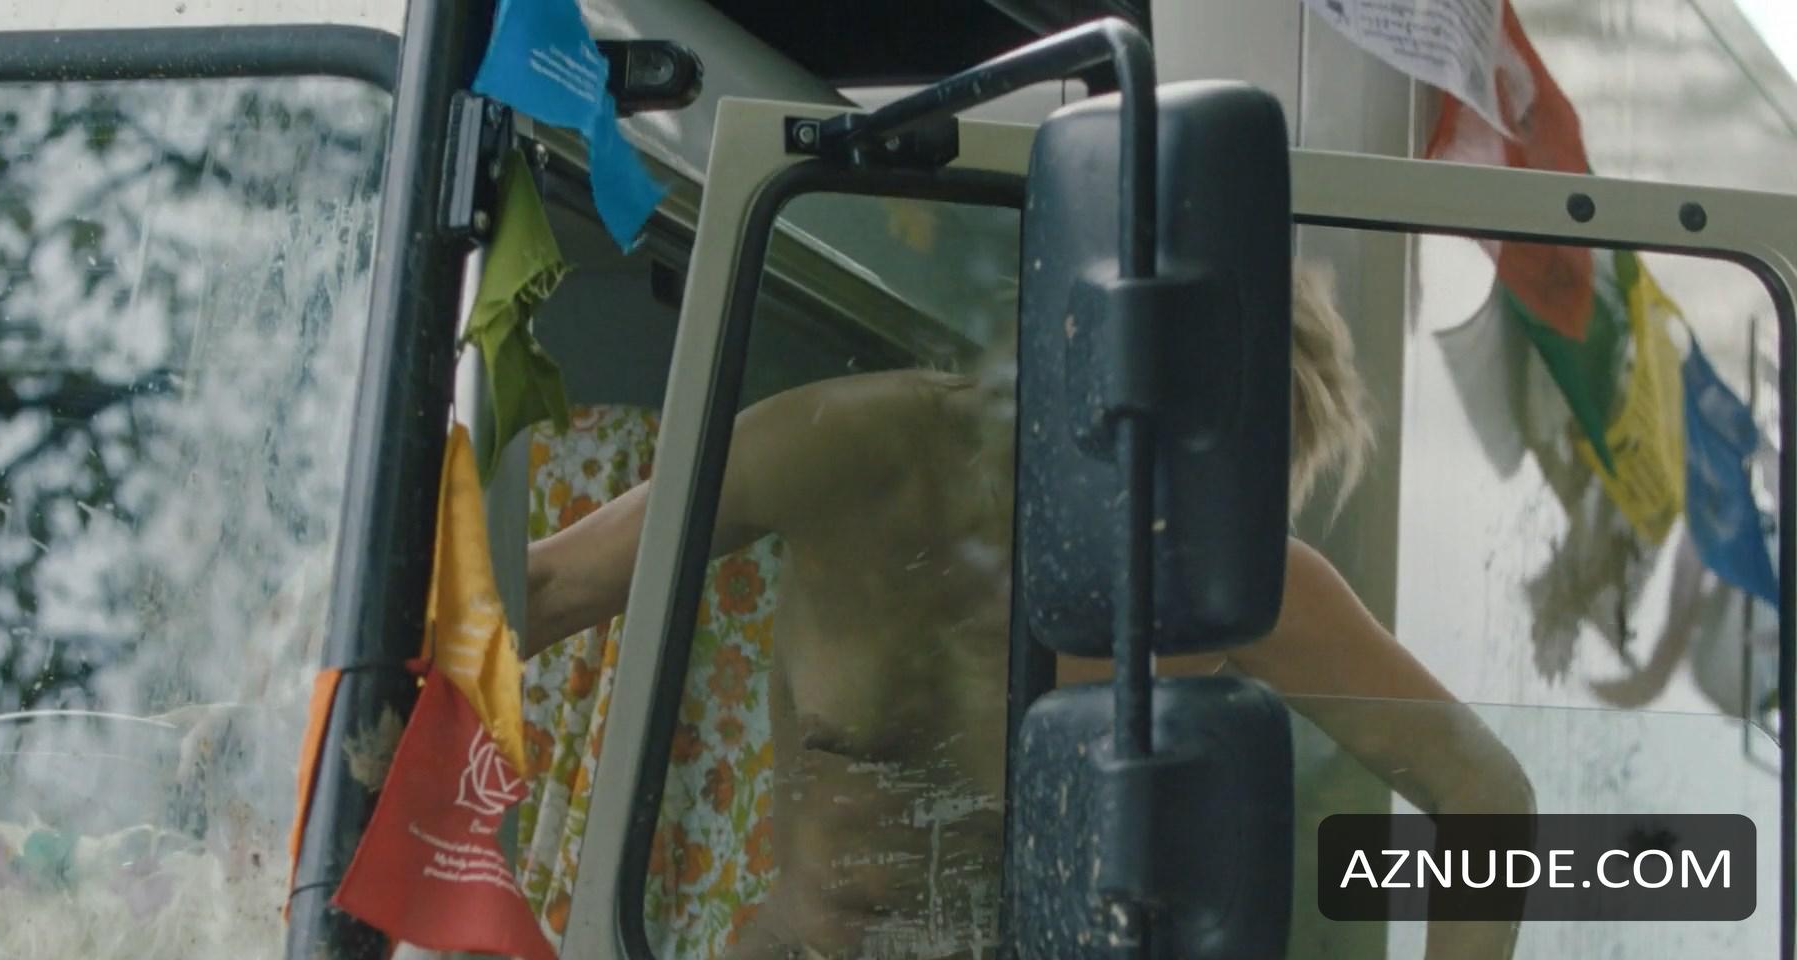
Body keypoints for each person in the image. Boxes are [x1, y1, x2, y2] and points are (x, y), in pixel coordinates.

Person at [522, 263, 1533, 960]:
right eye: (1151, 500)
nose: (1162, 549)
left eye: (1197, 521)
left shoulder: (1233, 580)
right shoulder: (852, 451)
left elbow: (1483, 790)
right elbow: (549, 589)